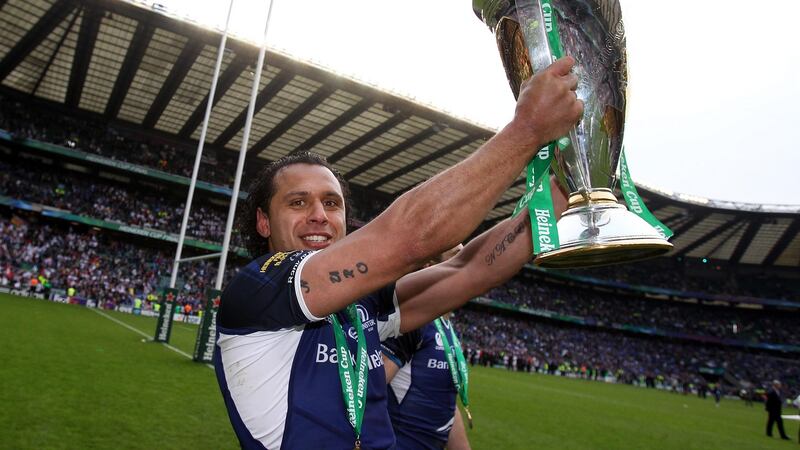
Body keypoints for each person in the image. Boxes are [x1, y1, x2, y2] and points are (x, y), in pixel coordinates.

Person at [214, 56, 582, 449]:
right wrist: (527, 129)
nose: (320, 215)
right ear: (263, 222)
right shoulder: (256, 290)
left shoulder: (365, 304)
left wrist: (559, 198)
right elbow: (411, 236)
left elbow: (468, 270)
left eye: (332, 203)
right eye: (298, 203)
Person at [381, 246, 472, 450]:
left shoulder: (446, 327)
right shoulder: (411, 322)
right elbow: (368, 389)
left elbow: (446, 400)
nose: (468, 263)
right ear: (431, 268)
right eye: (457, 257)